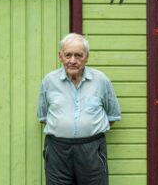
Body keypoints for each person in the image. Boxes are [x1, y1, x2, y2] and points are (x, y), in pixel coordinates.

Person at [37, 33, 121, 185]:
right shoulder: (49, 81)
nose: (73, 61)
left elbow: (112, 115)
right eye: (68, 55)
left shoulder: (101, 80)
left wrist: (87, 130)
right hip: (57, 150)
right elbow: (43, 116)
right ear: (60, 56)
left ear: (87, 57)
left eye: (78, 55)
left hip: (92, 149)